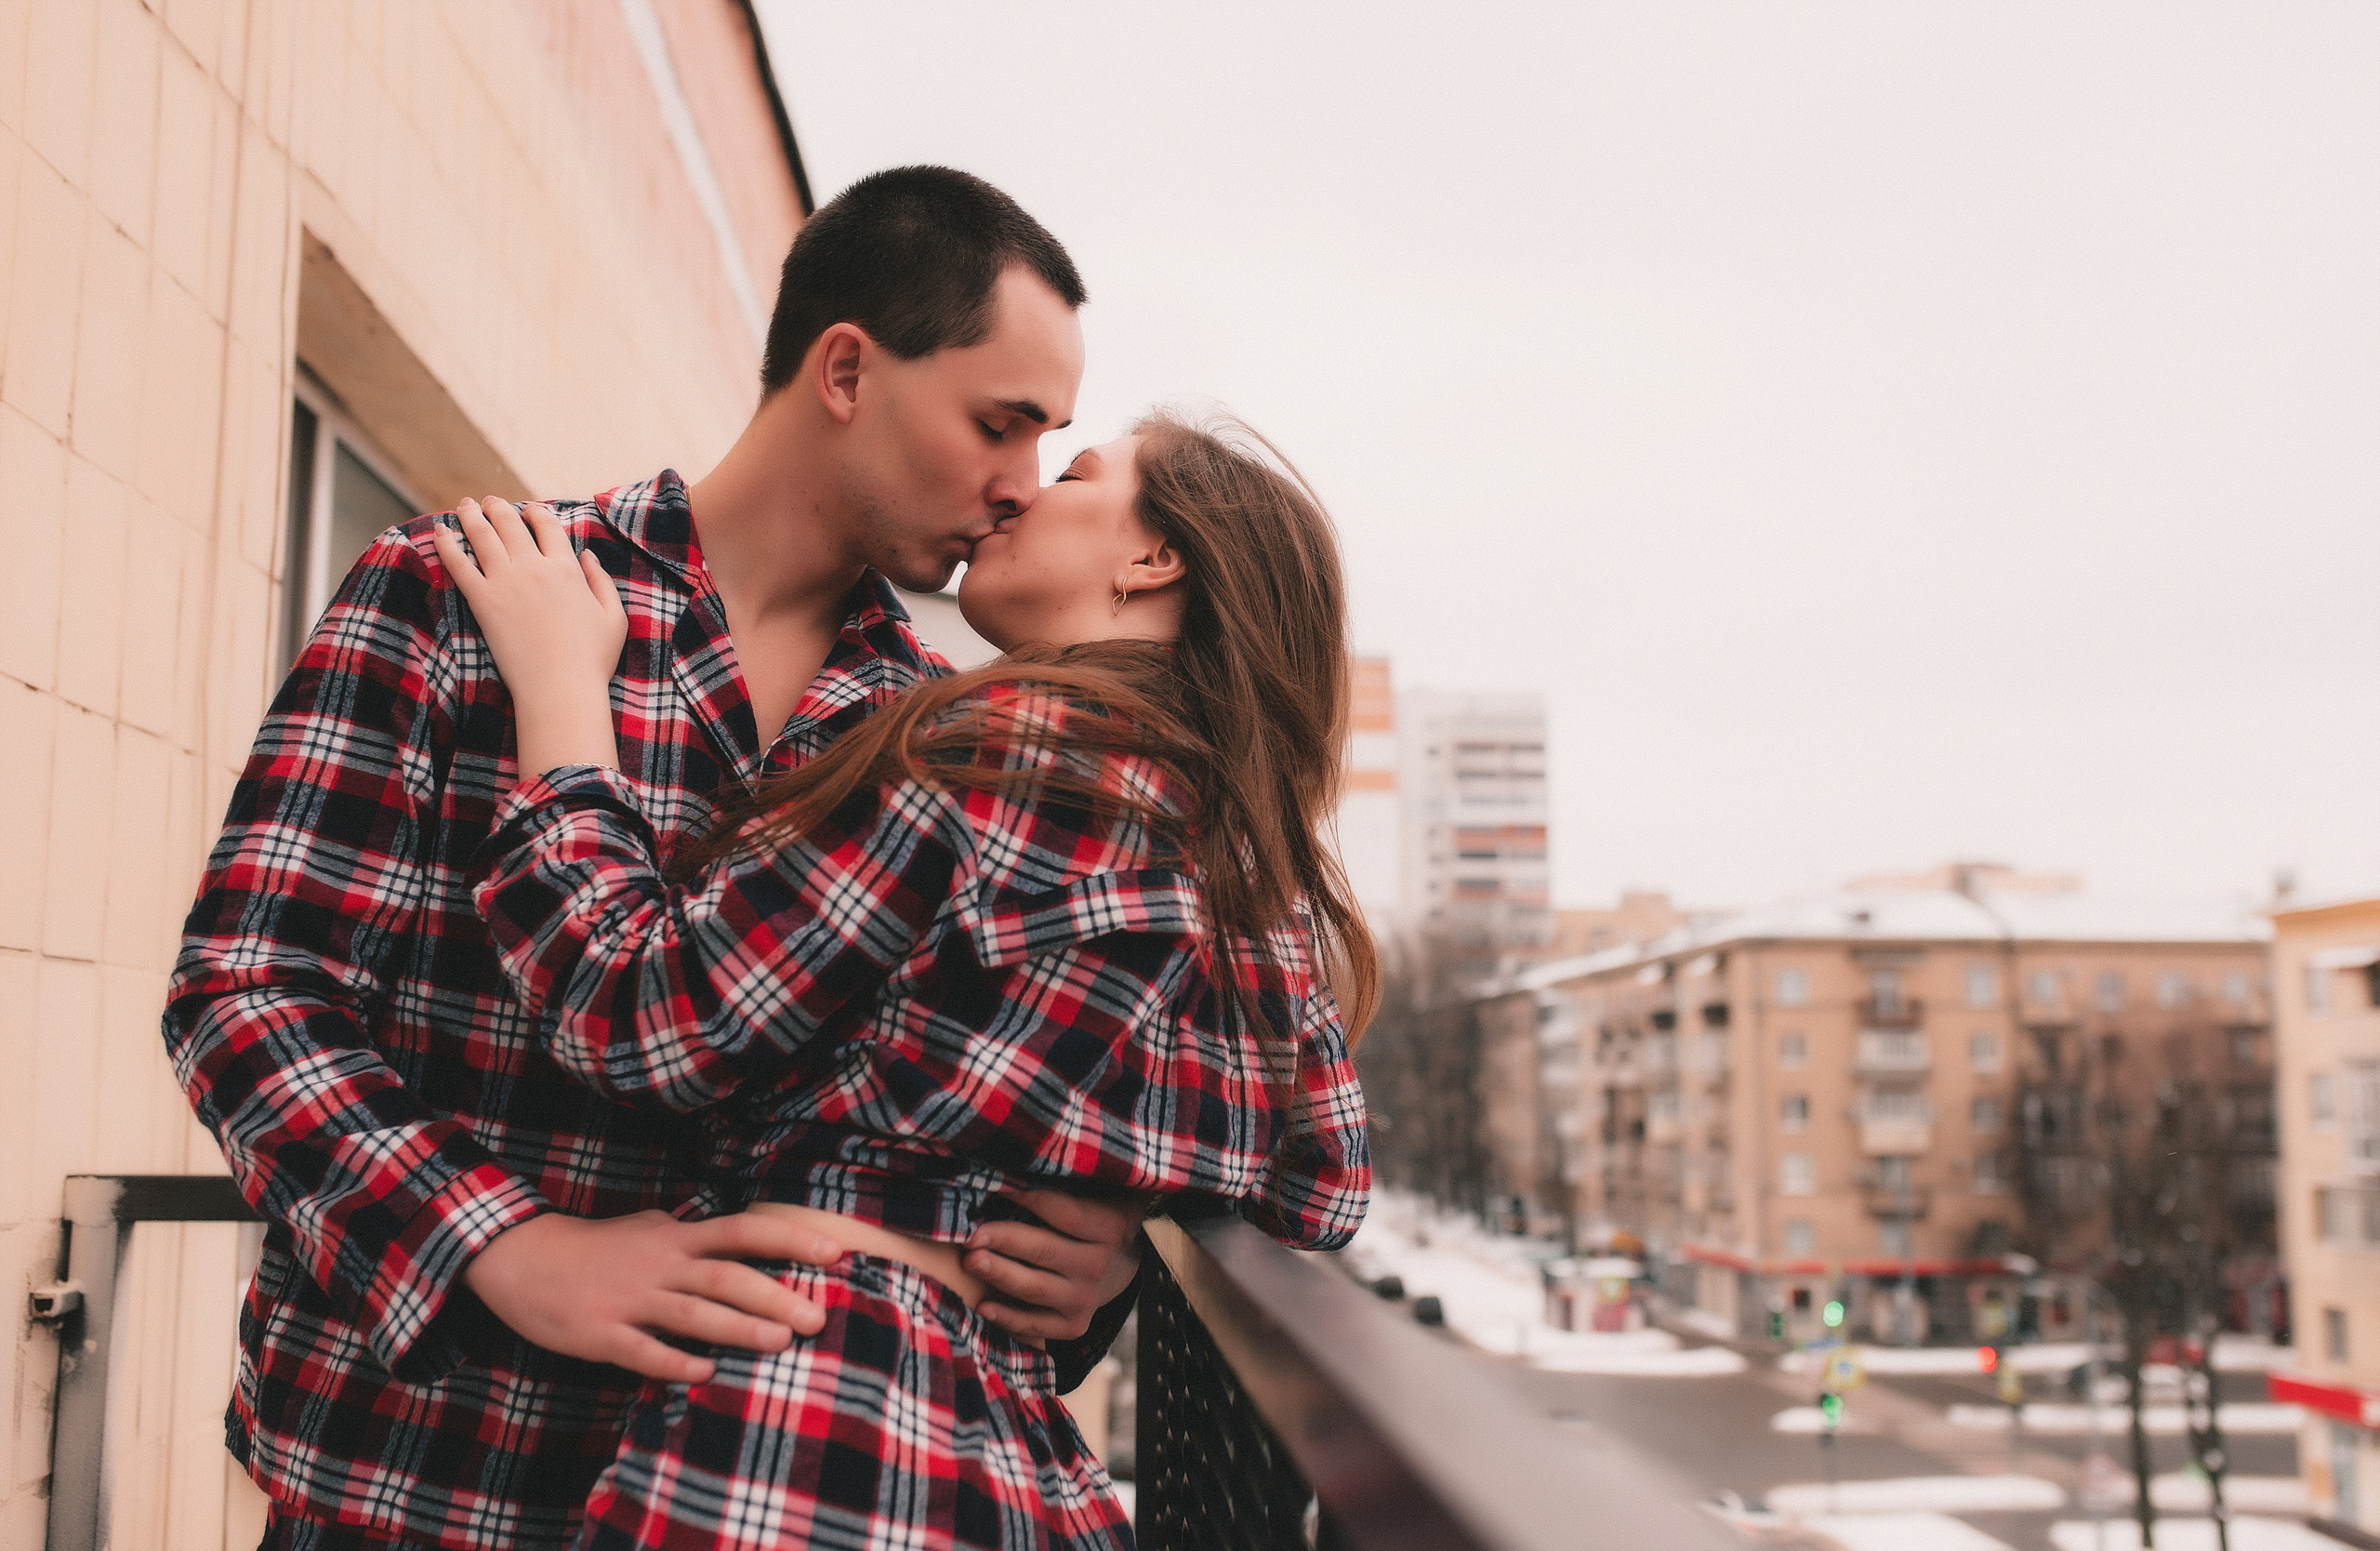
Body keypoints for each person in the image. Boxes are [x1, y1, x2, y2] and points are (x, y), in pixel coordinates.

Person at [165, 168, 1148, 1551]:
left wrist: (1093, 1261)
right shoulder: (464, 588)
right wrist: (502, 1247)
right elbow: (247, 989)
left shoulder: (951, 739)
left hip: (756, 1489)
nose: (1020, 489)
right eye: (1001, 424)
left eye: (1050, 444)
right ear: (847, 371)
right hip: (413, 1470)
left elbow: (972, 1108)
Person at [430, 409, 1374, 1549]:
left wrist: (562, 704)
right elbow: (1322, 1190)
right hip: (1001, 1443)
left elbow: (642, 1017)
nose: (1023, 492)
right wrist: (1124, 1219)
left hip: (815, 1413)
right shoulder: (1247, 865)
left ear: (1152, 556)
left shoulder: (993, 748)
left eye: (1076, 473)